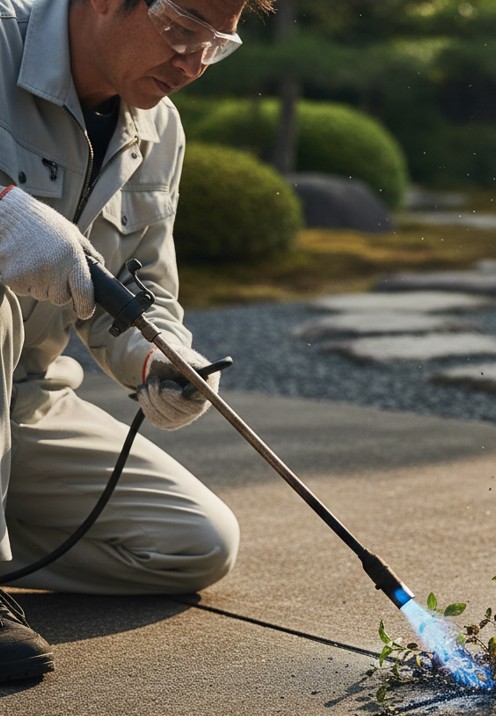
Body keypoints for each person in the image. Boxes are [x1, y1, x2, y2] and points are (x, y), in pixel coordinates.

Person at [0, 0, 275, 683]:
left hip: (22, 402)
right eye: (183, 30)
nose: (192, 63)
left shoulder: (159, 129)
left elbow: (140, 289)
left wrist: (157, 359)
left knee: (194, 546)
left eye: (216, 46)